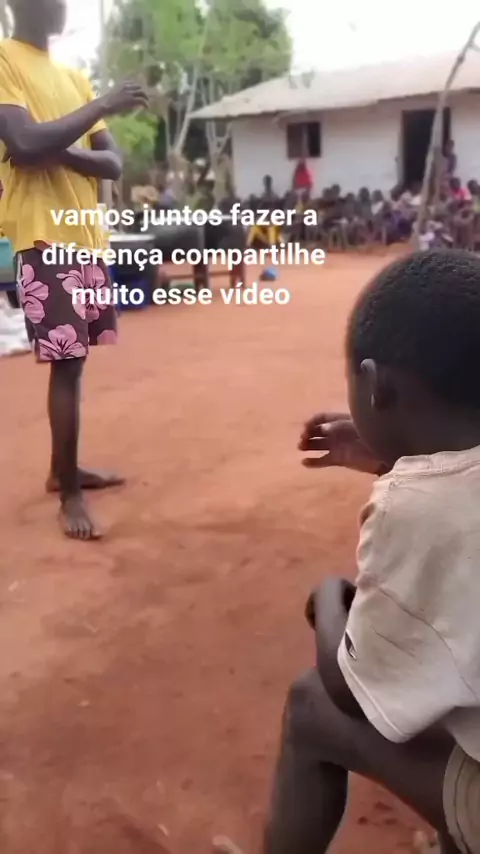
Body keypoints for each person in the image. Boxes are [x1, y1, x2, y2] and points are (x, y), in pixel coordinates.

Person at [266, 249, 480, 854]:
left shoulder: (408, 509)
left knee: (310, 708)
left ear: (374, 383)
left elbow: (349, 687)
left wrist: (329, 601)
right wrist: (400, 453)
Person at [0, 0, 148, 539]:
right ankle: (69, 495)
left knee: (76, 362)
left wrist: (56, 147)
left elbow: (113, 163)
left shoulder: (74, 79)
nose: (61, 5)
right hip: (44, 234)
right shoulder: (4, 59)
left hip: (85, 237)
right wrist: (99, 107)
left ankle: (62, 469)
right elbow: (22, 143)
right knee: (65, 363)